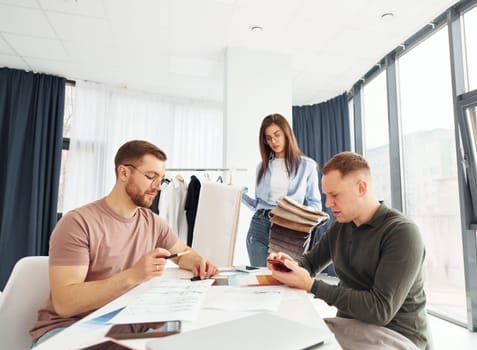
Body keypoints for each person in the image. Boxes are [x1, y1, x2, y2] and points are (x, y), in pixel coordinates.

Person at [29, 140, 218, 346]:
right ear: (124, 172)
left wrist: (199, 262)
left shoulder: (152, 222)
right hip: (70, 330)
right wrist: (134, 275)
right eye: (150, 177)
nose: (157, 187)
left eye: (161, 179)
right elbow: (65, 304)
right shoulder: (77, 223)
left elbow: (183, 252)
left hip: (124, 324)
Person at [267, 151, 428, 350]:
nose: (327, 204)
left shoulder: (402, 233)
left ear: (361, 188)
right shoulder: (342, 226)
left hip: (396, 336)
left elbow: (380, 309)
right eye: (326, 195)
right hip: (352, 327)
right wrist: (288, 265)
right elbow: (309, 263)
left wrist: (312, 286)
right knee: (284, 337)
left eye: (334, 195)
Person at [242, 113, 322, 267]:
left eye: (277, 135)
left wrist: (299, 213)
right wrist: (239, 194)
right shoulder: (262, 167)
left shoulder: (307, 165)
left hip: (288, 228)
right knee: (260, 276)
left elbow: (315, 204)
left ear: (287, 133)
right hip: (259, 224)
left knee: (283, 278)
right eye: (268, 138)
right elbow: (258, 204)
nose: (273, 141)